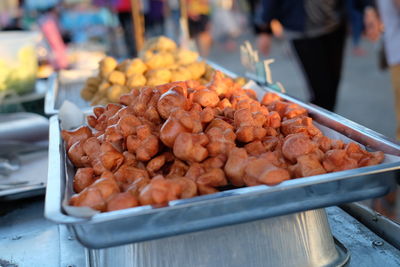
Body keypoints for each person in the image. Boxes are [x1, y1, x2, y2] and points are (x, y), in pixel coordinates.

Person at [256, 0, 381, 111]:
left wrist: (368, 8)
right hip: (303, 33)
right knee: (322, 92)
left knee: (332, 87)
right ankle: (308, 130)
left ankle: (318, 128)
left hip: (335, 25)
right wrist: (264, 30)